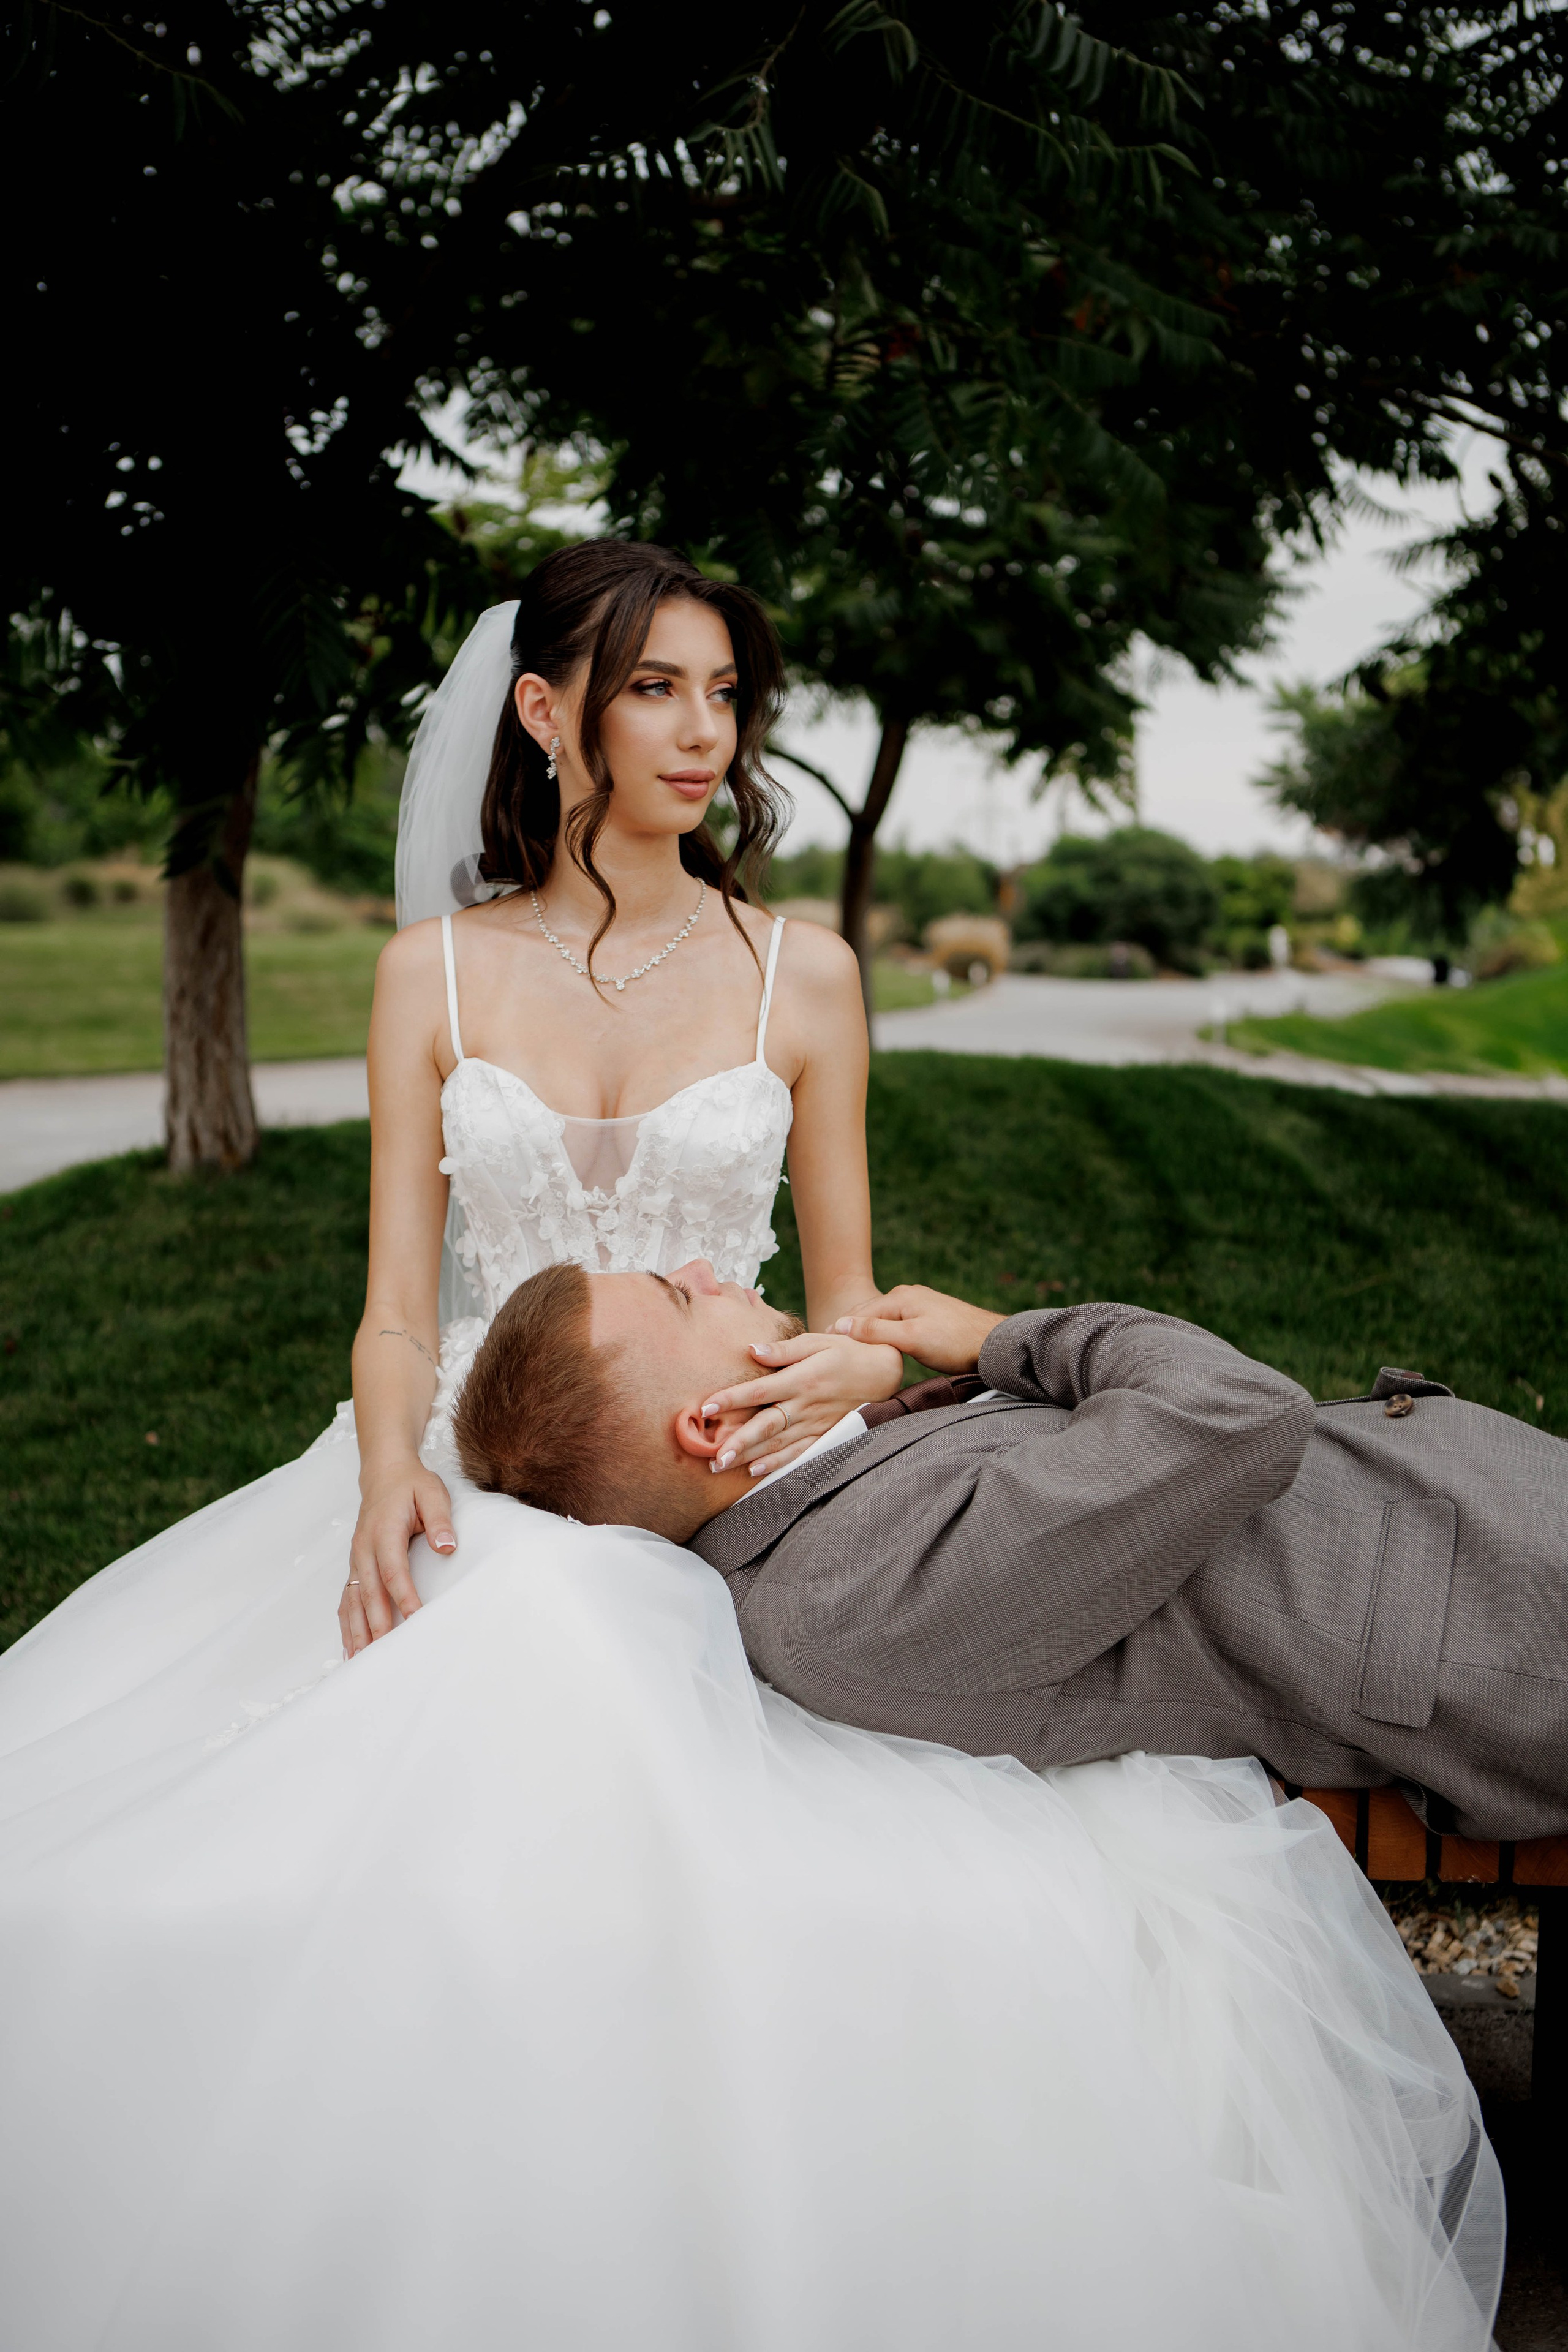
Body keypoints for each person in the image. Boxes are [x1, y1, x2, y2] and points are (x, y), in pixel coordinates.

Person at [0, 550, 1503, 2349]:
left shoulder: (805, 973)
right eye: (656, 691)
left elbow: (859, 1305)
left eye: (726, 695)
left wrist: (844, 1387)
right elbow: (400, 1304)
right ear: (548, 711)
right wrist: (389, 1463)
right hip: (473, 1469)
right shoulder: (434, 979)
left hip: (732, 1470)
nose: (705, 733)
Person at [456, 1264, 1568, 1842]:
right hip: (1503, 1628)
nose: (704, 1266)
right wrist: (997, 1336)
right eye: (674, 1293)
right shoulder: (844, 1595)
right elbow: (1239, 1411)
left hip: (1461, 1533)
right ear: (710, 1426)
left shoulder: (818, 1507)